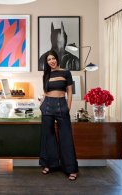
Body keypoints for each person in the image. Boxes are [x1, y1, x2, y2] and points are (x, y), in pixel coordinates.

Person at [39, 50, 78, 181]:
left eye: (53, 58)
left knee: (66, 136)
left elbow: (70, 92)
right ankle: (50, 164)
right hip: (47, 106)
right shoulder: (46, 75)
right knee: (48, 137)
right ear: (47, 62)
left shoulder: (66, 72)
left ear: (57, 59)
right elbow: (45, 92)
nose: (51, 61)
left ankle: (71, 168)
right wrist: (41, 103)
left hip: (62, 105)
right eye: (49, 59)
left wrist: (68, 107)